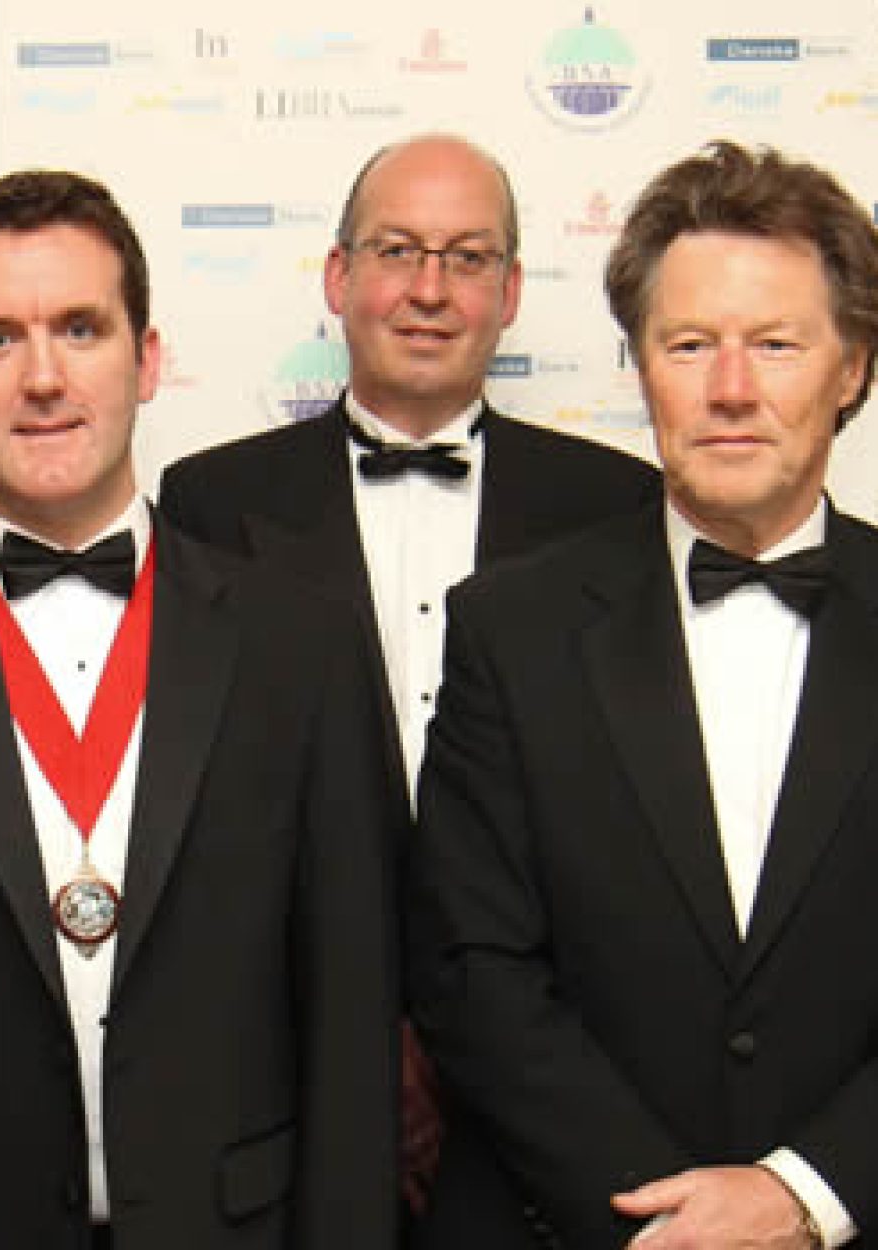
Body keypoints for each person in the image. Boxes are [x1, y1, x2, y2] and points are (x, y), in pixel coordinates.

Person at [0, 170, 400, 1249]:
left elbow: (351, 1035)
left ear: (146, 360)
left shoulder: (304, 648)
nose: (44, 377)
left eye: (80, 329)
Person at [158, 131, 659, 1216]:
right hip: (286, 1069)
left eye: (468, 257)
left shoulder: (617, 505)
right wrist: (358, 1032)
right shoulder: (207, 502)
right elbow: (212, 822)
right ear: (339, 276)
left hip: (553, 1089)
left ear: (511, 292)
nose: (430, 290)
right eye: (397, 251)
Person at [407, 140, 878, 1249]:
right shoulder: (509, 628)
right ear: (641, 365)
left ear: (853, 367)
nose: (730, 389)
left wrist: (800, 1196)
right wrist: (669, 1218)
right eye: (689, 344)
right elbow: (472, 968)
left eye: (775, 344)